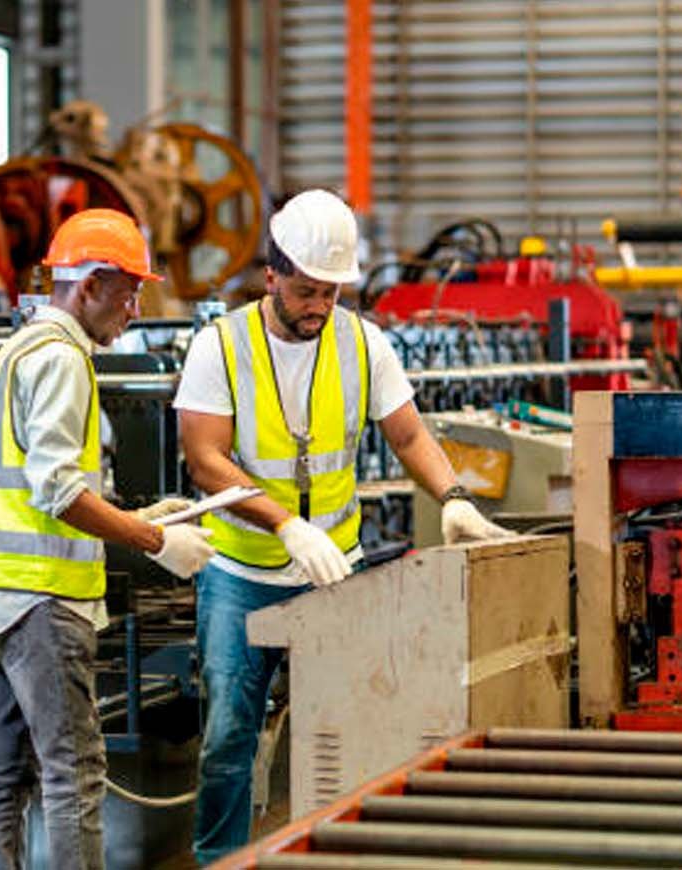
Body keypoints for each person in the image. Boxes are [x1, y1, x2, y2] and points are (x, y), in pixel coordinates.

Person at [174, 189, 512, 863]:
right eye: (305, 292)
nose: (318, 308)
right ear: (271, 274)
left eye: (330, 293)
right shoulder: (220, 345)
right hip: (242, 574)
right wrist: (283, 525)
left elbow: (410, 433)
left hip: (335, 571)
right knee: (228, 739)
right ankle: (220, 861)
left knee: (349, 730)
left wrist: (453, 495)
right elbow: (205, 460)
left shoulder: (362, 343)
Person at [0, 208, 216, 870]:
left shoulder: (16, 351)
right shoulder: (63, 360)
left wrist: (143, 513)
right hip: (41, 596)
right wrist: (154, 539)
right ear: (91, 285)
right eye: (129, 291)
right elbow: (58, 492)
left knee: (5, 773)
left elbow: (40, 481)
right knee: (75, 773)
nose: (136, 308)